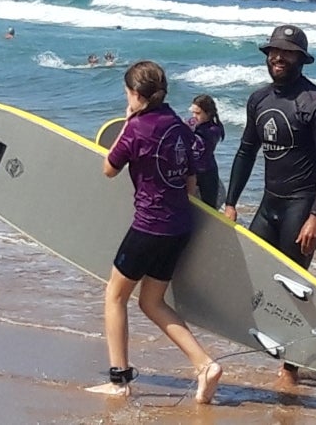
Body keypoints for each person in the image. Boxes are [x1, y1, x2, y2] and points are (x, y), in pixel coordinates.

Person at [87, 60, 222, 403]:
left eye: (127, 94)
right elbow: (191, 184)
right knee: (152, 301)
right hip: (179, 227)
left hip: (148, 226)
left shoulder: (137, 128)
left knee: (115, 296)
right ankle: (205, 365)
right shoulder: (179, 125)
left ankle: (118, 381)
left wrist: (127, 122)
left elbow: (108, 169)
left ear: (135, 95)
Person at [224, 24, 316, 389]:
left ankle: (292, 367)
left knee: (292, 287)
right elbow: (246, 151)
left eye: (287, 52)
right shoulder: (259, 100)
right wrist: (230, 202)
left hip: (300, 209)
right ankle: (276, 342)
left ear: (301, 60)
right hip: (269, 205)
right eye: (274, 51)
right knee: (251, 275)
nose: (278, 57)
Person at [188, 94, 225, 208]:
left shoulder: (214, 130)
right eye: (193, 112)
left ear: (208, 114)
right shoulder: (192, 123)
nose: (194, 116)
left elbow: (206, 136)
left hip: (207, 173)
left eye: (198, 113)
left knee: (209, 208)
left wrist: (189, 129)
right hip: (191, 171)